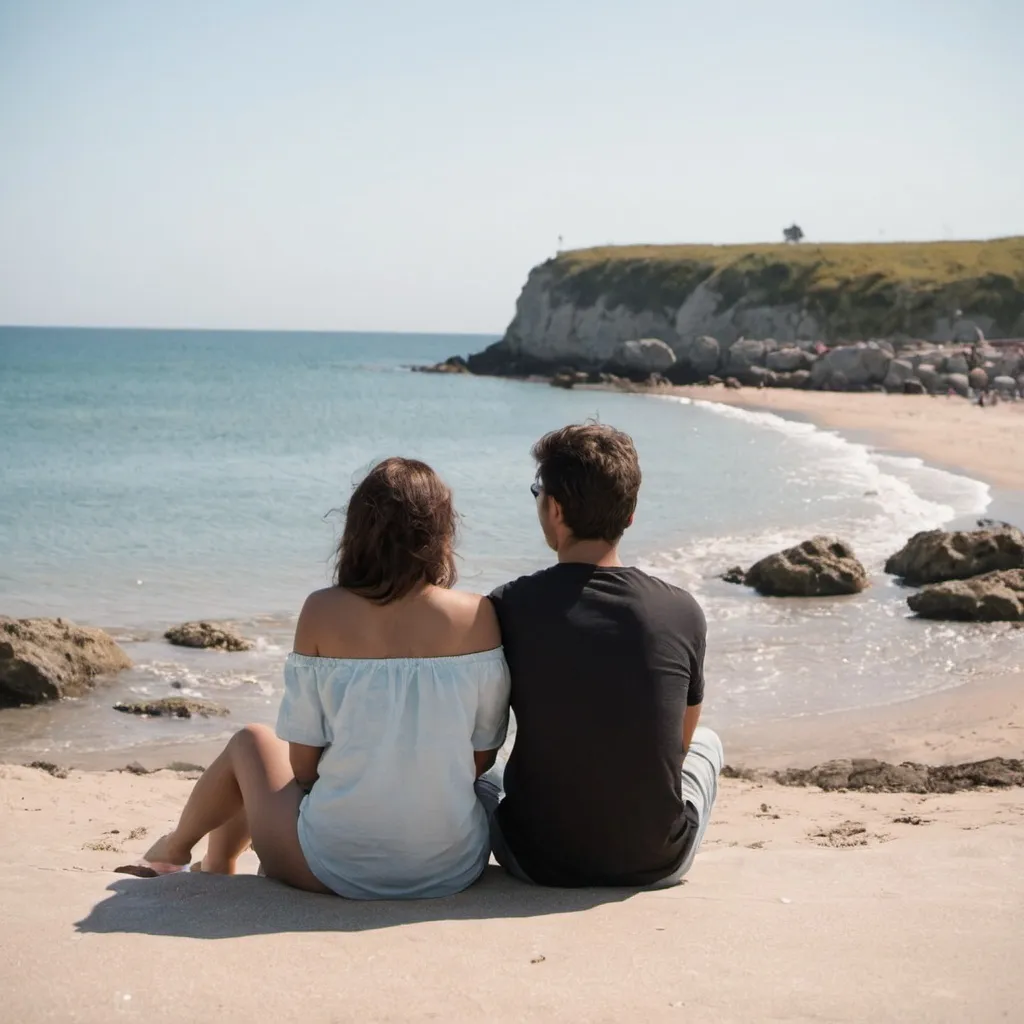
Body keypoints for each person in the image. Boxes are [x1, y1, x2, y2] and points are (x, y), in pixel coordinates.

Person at [141, 457, 510, 898]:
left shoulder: (322, 610)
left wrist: (340, 785)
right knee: (486, 782)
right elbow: (482, 755)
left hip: (331, 868)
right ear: (441, 534)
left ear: (357, 532)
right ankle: (212, 860)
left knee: (252, 743)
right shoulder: (479, 615)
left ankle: (179, 850)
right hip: (450, 866)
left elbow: (302, 764)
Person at [483, 423, 723, 888]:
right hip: (657, 862)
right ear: (630, 515)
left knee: (486, 774)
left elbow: (484, 730)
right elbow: (678, 746)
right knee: (708, 744)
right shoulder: (681, 609)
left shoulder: (507, 606)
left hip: (536, 860)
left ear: (554, 508)